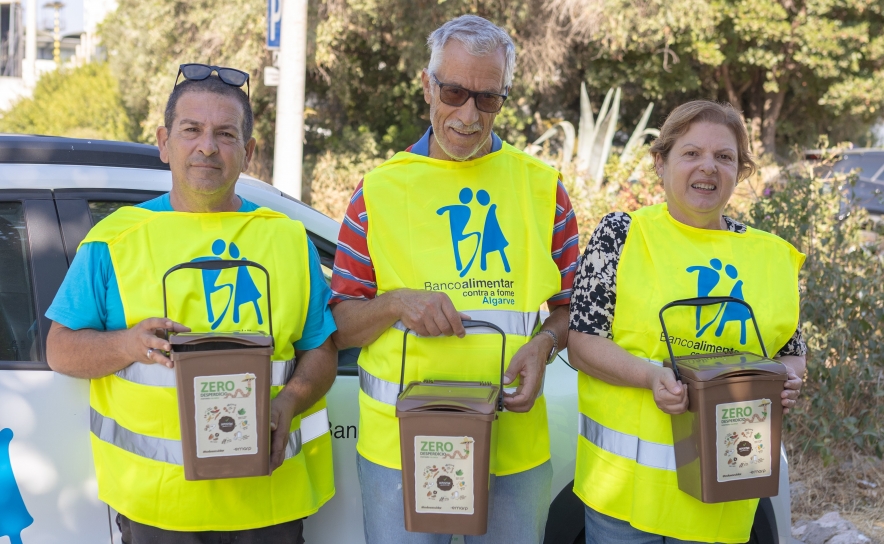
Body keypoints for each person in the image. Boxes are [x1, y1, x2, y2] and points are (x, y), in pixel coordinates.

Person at [44, 64, 337, 544]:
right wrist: (127, 345)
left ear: (249, 152)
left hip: (269, 501)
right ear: (164, 142)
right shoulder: (114, 240)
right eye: (191, 130)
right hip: (159, 509)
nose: (207, 147)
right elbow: (60, 349)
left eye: (225, 134)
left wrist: (291, 401)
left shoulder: (286, 239)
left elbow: (321, 347)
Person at [329, 14, 580, 544]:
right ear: (427, 85)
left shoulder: (544, 189)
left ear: (504, 97)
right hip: (399, 450)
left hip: (512, 447)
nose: (468, 114)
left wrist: (545, 343)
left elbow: (573, 306)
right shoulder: (376, 191)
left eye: (487, 98)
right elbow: (342, 327)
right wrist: (397, 303)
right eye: (454, 92)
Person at [567, 100, 806, 544]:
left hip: (724, 493)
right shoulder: (621, 235)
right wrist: (650, 377)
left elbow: (791, 353)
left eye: (725, 157)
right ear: (661, 162)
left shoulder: (771, 256)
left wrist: (787, 381)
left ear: (742, 170)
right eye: (691, 153)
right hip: (625, 501)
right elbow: (582, 344)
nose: (708, 168)